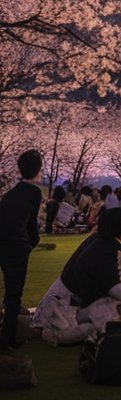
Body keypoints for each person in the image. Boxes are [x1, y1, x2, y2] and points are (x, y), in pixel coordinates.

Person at [32, 207, 121, 345]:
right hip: (63, 309)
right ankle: (52, 332)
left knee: (115, 311)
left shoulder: (98, 240)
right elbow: (115, 288)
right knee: (104, 323)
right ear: (118, 227)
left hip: (65, 301)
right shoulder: (105, 249)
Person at [0, 149, 43, 353]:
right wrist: (31, 243)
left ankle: (8, 334)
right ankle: (6, 340)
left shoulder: (9, 196)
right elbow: (32, 224)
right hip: (16, 246)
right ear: (37, 170)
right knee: (13, 294)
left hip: (4, 242)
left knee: (10, 294)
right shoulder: (34, 192)